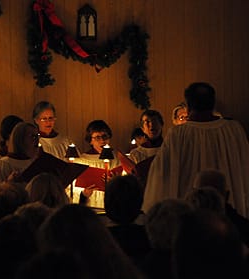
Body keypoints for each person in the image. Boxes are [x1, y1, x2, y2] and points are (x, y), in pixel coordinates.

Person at [143, 82, 249, 218]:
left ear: (188, 105)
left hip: (188, 216)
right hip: (229, 213)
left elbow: (160, 176)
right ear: (213, 103)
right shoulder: (234, 129)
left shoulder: (178, 134)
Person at [0, 122, 40, 199]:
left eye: (37, 136)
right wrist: (8, 183)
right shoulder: (4, 163)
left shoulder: (37, 161)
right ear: (20, 139)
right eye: (32, 136)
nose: (37, 140)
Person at [73, 120, 121, 208]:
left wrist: (116, 182)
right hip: (91, 204)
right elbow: (72, 190)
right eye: (97, 137)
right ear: (90, 141)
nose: (102, 140)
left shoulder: (118, 159)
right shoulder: (82, 161)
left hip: (113, 204)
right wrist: (84, 194)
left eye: (105, 136)